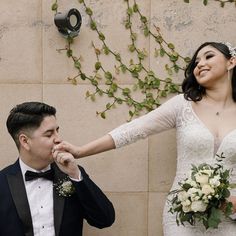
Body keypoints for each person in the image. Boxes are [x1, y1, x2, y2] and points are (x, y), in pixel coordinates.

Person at [53, 41, 236, 235]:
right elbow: (133, 130)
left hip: (229, 216)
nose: (199, 64)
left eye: (209, 56)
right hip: (183, 216)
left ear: (231, 62)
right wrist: (81, 151)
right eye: (196, 61)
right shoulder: (182, 105)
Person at [0, 102, 115, 236]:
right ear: (25, 141)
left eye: (57, 131)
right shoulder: (2, 182)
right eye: (49, 135)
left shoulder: (72, 173)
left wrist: (75, 174)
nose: (58, 139)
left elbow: (105, 220)